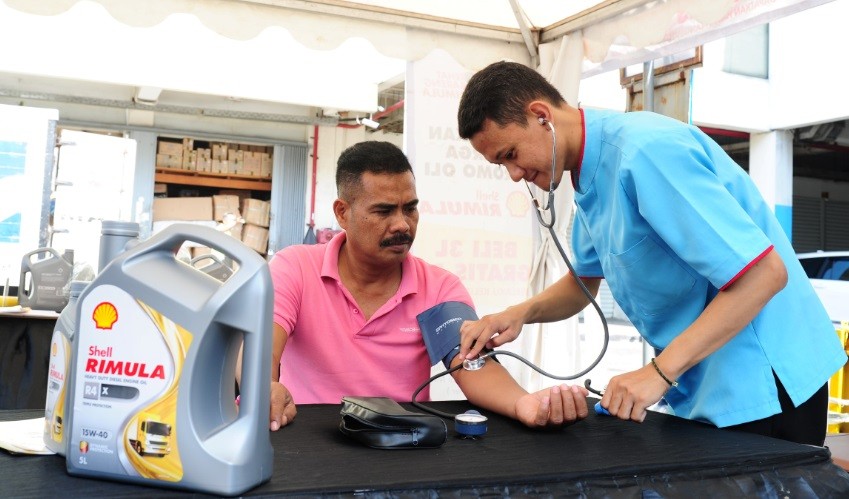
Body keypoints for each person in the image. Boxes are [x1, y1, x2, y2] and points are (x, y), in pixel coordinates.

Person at [455, 60, 847, 446]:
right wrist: (517, 314)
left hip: (764, 381)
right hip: (706, 387)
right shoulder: (587, 180)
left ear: (541, 116)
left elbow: (764, 275)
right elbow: (583, 284)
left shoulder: (644, 153)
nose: (514, 174)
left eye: (509, 154)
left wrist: (657, 373)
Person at [261, 140, 589, 431]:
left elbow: (471, 363)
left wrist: (524, 404)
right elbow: (259, 347)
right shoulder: (295, 268)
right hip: (307, 442)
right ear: (343, 213)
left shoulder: (439, 288)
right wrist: (262, 388)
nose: (402, 224)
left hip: (399, 446)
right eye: (384, 211)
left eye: (411, 208)